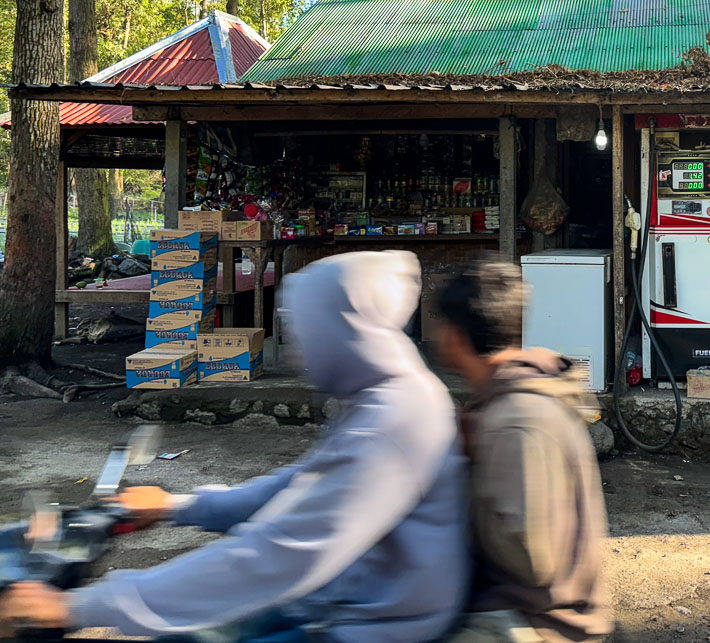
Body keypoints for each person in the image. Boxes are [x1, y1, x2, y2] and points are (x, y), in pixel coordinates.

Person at [0, 250, 469, 642]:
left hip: (370, 626)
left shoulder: (394, 419)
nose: (299, 351)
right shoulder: (377, 399)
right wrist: (177, 507)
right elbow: (293, 489)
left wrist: (80, 606)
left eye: (306, 332)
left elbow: (278, 555)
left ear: (341, 330)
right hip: (341, 601)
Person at [435, 256, 612, 643]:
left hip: (534, 621)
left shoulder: (516, 418)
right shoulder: (510, 399)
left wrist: (468, 482)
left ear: (455, 337)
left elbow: (531, 558)